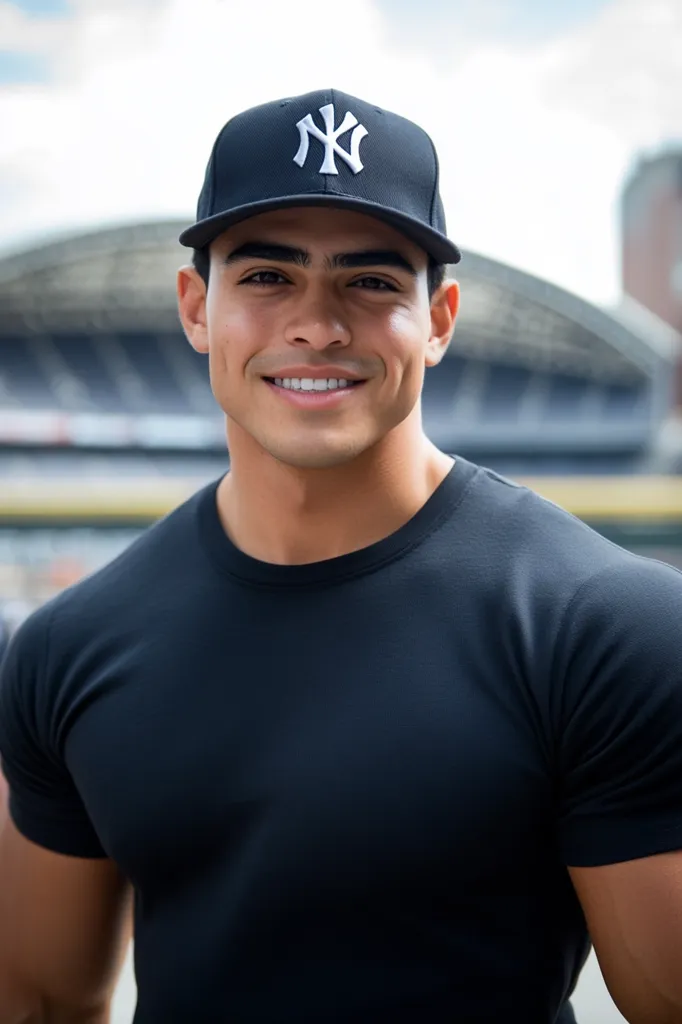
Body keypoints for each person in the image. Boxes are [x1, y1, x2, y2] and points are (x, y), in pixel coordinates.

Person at [0, 88, 681, 1024]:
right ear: (198, 307)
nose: (316, 324)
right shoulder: (68, 646)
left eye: (370, 281)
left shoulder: (606, 625)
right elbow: (38, 999)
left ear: (439, 319)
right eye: (269, 277)